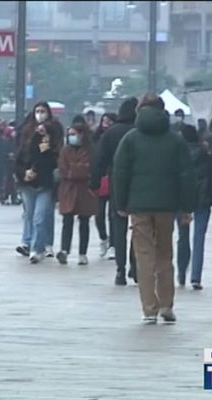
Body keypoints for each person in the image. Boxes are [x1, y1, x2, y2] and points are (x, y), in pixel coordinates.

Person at [112, 94, 197, 324]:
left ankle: (149, 309)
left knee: (144, 257)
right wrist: (187, 207)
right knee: (164, 255)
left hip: (139, 206)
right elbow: (186, 175)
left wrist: (121, 203)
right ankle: (166, 305)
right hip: (166, 206)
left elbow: (120, 173)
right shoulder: (175, 140)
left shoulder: (131, 139)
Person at [90, 97, 139, 286]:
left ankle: (120, 269)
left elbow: (98, 159)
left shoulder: (111, 132)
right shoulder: (139, 131)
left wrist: (94, 182)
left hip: (116, 182)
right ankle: (135, 265)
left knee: (118, 225)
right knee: (138, 225)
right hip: (137, 182)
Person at [175, 125, 212, 290]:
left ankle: (181, 273)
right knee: (199, 237)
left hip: (183, 201)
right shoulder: (207, 155)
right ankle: (196, 277)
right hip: (203, 199)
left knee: (183, 236)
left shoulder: (177, 155)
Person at [14, 101, 62, 263]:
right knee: (30, 215)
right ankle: (28, 242)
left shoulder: (53, 134)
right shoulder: (27, 134)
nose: (40, 115)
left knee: (40, 217)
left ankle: (37, 248)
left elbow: (54, 158)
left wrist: (47, 136)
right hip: (28, 183)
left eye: (43, 111)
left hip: (45, 183)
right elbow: (19, 159)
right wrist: (24, 173)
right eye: (37, 111)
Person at [56, 122, 97, 266]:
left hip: (85, 190)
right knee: (67, 220)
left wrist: (73, 170)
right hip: (68, 189)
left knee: (84, 221)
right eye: (70, 134)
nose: (71, 137)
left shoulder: (90, 150)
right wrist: (77, 169)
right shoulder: (65, 150)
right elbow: (62, 168)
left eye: (74, 134)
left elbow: (87, 169)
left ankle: (82, 253)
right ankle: (64, 250)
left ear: (82, 134)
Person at [92, 112, 116, 260]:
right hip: (100, 179)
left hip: (113, 178)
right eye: (104, 121)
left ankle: (113, 244)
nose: (106, 124)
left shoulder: (116, 137)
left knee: (112, 215)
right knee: (98, 214)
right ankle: (103, 238)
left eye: (109, 121)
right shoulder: (97, 138)